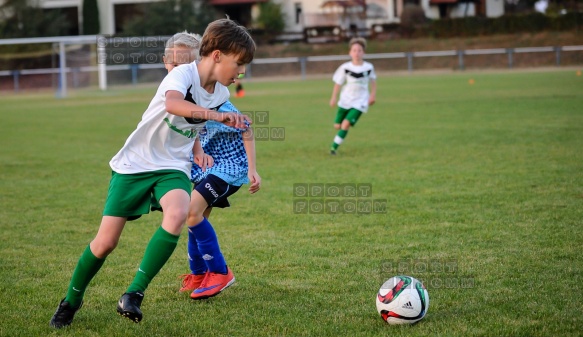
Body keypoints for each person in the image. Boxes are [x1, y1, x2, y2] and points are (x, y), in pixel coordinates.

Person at [49, 18, 256, 328]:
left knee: (178, 213)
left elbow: (195, 121)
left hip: (172, 166)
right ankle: (71, 301)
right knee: (105, 243)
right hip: (134, 164)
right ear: (217, 55)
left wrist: (199, 146)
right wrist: (216, 117)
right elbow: (175, 106)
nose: (241, 72)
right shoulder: (181, 74)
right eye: (238, 63)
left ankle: (133, 294)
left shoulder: (221, 93)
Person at [162, 31, 261, 300]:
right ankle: (198, 274)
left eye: (185, 65)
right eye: (174, 65)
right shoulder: (178, 94)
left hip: (228, 168)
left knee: (191, 213)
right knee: (196, 219)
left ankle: (219, 271)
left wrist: (252, 169)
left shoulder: (215, 98)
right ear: (165, 64)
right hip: (206, 169)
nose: (178, 70)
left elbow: (247, 128)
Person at [328, 37, 377, 155]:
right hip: (345, 99)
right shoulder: (345, 67)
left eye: (359, 50)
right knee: (337, 126)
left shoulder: (368, 67)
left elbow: (373, 81)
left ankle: (333, 148)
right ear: (350, 52)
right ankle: (338, 136)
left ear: (363, 52)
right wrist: (333, 97)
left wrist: (372, 95)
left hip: (361, 101)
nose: (357, 53)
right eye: (354, 50)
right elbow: (338, 83)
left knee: (345, 124)